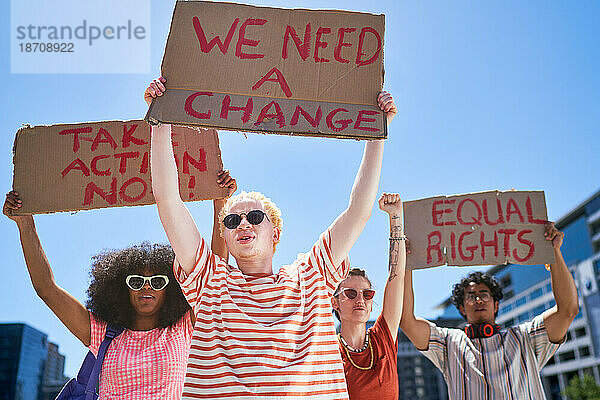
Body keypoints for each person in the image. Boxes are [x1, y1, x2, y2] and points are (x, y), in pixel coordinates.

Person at [145, 76, 397, 399]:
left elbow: (359, 211)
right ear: (224, 234)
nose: (242, 224)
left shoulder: (311, 275)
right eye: (233, 220)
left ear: (275, 232)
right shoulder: (210, 283)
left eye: (254, 217)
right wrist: (159, 122)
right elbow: (168, 202)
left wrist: (378, 134)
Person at [3, 171, 236, 399]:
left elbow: (213, 276)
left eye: (157, 282)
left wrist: (220, 203)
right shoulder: (102, 334)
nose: (147, 287)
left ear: (171, 290)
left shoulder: (182, 328)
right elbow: (46, 289)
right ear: (122, 290)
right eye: (136, 282)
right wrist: (25, 224)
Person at [400, 222, 579, 399]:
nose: (478, 300)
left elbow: (567, 310)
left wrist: (554, 252)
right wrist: (407, 263)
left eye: (484, 294)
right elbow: (407, 321)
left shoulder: (525, 337)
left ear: (496, 305)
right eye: (471, 296)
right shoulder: (448, 343)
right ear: (462, 308)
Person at [332, 193, 406, 400]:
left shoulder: (383, 337)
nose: (360, 300)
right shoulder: (328, 351)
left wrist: (395, 217)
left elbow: (396, 277)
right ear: (335, 302)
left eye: (367, 294)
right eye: (351, 293)